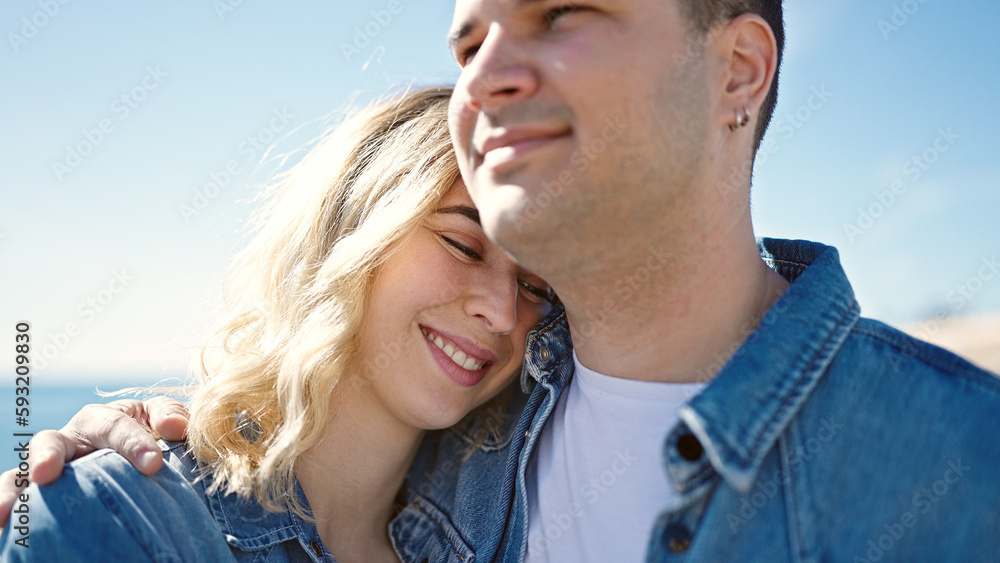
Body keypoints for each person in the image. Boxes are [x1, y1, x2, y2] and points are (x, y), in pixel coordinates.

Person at [6, 1, 1000, 561]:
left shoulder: (962, 464)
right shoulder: (135, 512)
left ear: (739, 70)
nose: (484, 78)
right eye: (470, 41)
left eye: (562, 12)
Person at [0, 86, 554, 562]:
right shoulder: (124, 519)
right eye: (462, 245)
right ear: (352, 229)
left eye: (535, 287)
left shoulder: (524, 530)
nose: (503, 312)